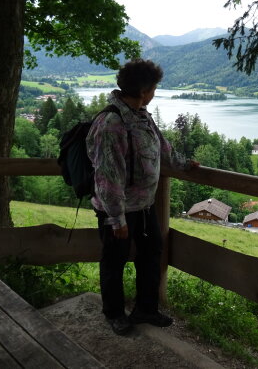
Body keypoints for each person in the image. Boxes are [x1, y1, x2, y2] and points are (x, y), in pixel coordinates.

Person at [86, 59, 198, 335]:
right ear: (145, 89)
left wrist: (183, 164)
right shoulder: (112, 123)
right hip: (119, 211)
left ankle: (146, 309)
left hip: (145, 207)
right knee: (114, 261)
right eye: (155, 86)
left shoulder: (141, 114)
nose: (156, 91)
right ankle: (114, 313)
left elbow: (162, 147)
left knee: (151, 255)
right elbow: (107, 176)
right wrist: (116, 219)